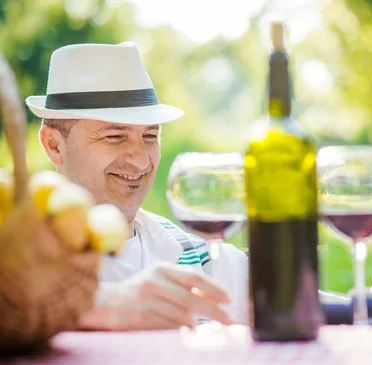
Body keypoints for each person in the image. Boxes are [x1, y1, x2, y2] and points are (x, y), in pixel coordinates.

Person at [26, 42, 249, 330]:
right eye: (115, 136)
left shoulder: (202, 256)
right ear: (55, 146)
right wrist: (99, 306)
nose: (142, 161)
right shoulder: (17, 255)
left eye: (150, 136)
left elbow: (304, 306)